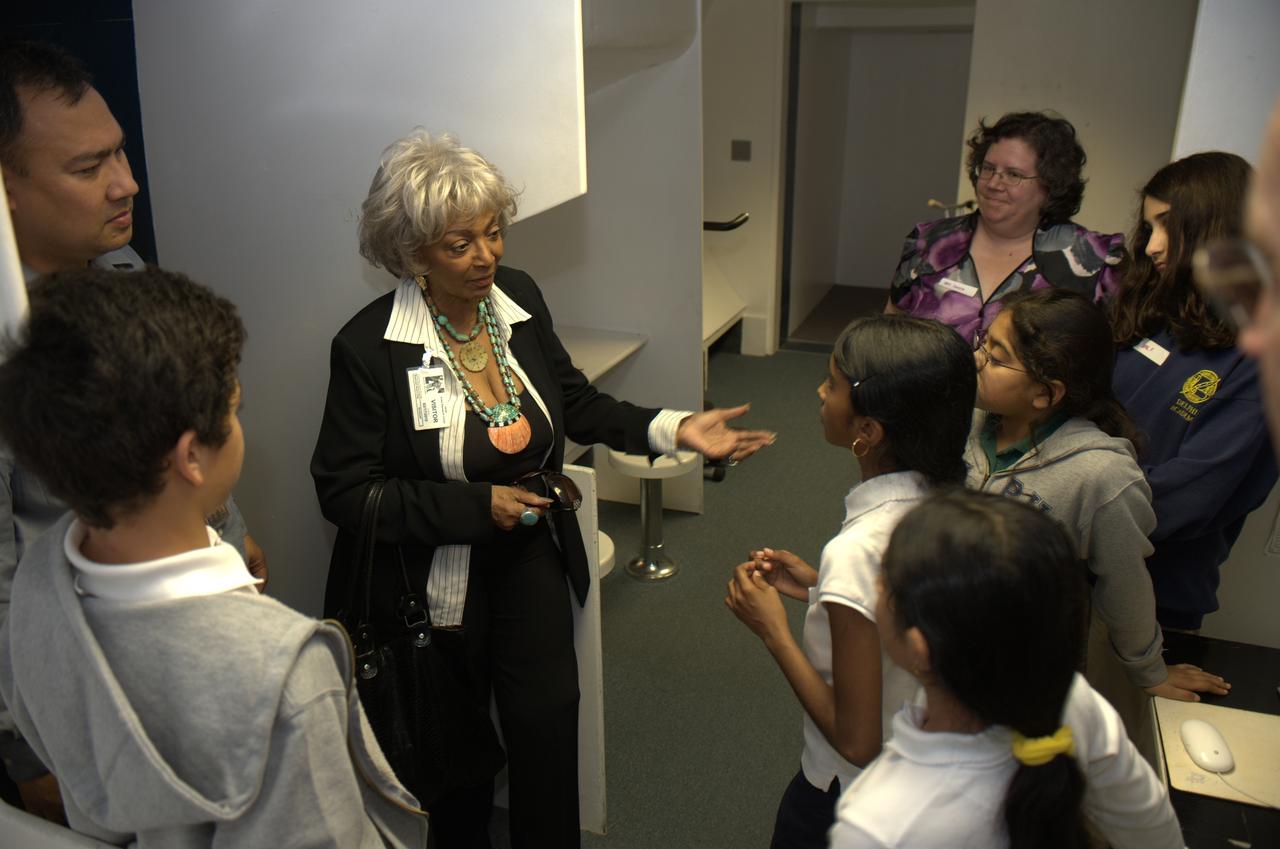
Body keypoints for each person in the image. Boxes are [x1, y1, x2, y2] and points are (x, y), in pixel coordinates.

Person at [311, 130, 775, 849]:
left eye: (493, 233)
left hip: (528, 554)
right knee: (455, 760)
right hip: (434, 583)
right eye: (459, 243)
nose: (487, 255)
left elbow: (574, 402)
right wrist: (478, 505)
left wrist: (674, 428)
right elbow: (345, 493)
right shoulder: (369, 347)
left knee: (549, 728)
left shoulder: (516, 299)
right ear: (412, 253)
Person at [0, 267, 426, 847]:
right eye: (234, 408)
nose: (239, 423)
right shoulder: (285, 676)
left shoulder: (35, 586)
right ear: (192, 457)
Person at [0, 37, 268, 820]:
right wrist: (24, 746)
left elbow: (183, 428)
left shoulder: (124, 271)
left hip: (188, 640)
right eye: (89, 169)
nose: (128, 183)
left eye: (120, 153)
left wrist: (230, 534)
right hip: (84, 681)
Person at [723, 314, 975, 849]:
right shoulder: (953, 504)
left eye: (832, 385)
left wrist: (774, 630)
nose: (819, 391)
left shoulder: (857, 550)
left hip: (848, 793)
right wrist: (823, 592)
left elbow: (856, 740)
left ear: (868, 431)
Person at [829, 490, 1182, 849]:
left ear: (920, 650)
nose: (873, 586)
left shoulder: (876, 827)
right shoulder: (1070, 697)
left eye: (883, 581)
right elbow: (1154, 833)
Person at [965, 288, 1227, 741]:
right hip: (948, 644)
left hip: (1025, 674)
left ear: (1046, 394)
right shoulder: (970, 423)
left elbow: (1124, 581)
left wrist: (1151, 672)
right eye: (984, 342)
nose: (977, 360)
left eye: (996, 356)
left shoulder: (1102, 476)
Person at [1110, 152, 1276, 632]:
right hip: (1073, 567)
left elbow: (1195, 491)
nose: (1152, 247)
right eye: (1149, 228)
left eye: (1168, 226)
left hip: (1154, 596)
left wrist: (1078, 509)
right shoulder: (1151, 310)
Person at [886, 111, 1125, 348]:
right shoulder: (928, 242)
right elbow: (887, 335)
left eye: (1013, 174)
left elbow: (1111, 358)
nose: (993, 184)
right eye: (988, 168)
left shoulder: (1096, 261)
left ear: (1051, 184)